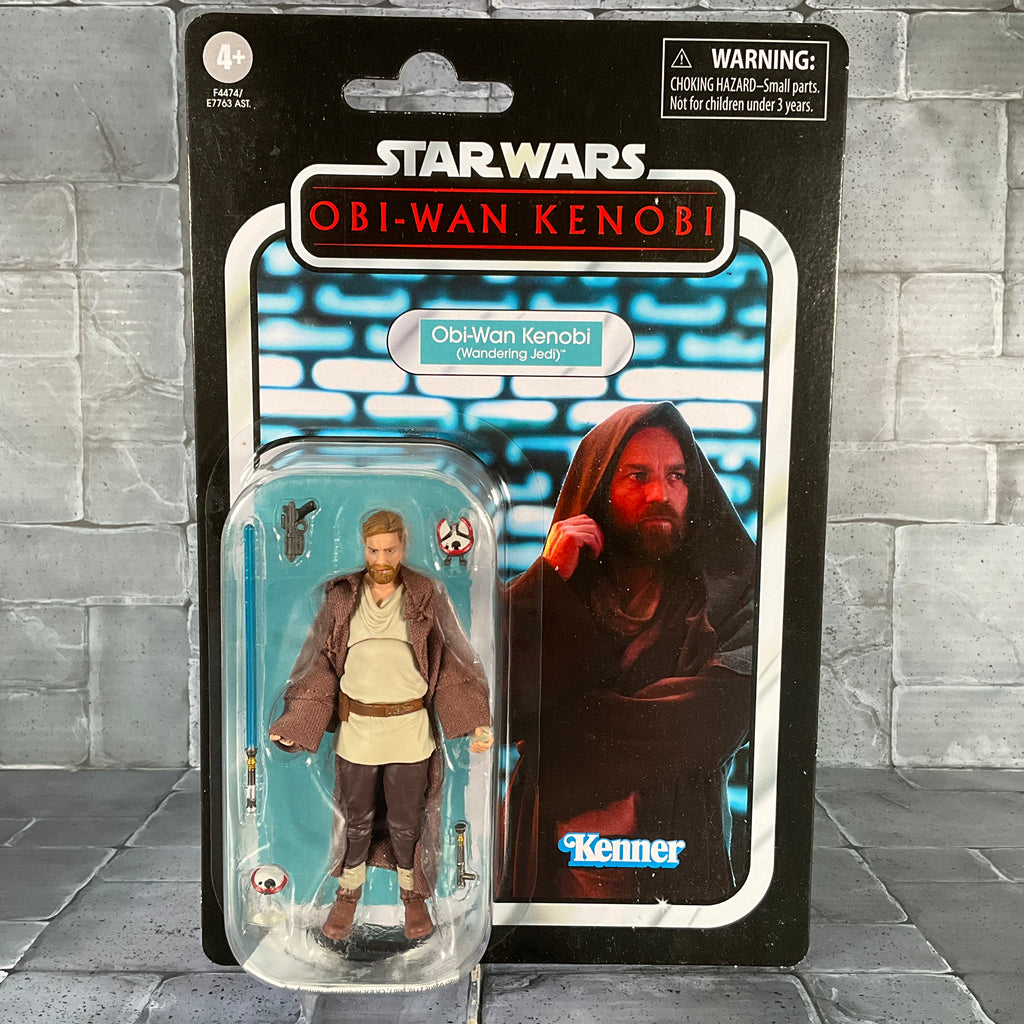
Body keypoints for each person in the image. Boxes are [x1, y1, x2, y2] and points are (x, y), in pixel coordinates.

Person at [502, 402, 755, 904]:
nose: (660, 493)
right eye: (637, 476)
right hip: (552, 853)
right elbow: (496, 705)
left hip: (676, 843)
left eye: (677, 476)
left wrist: (557, 727)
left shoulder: (728, 598)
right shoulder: (558, 586)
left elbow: (720, 717)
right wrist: (547, 583)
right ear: (600, 489)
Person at [269, 509, 493, 942]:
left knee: (408, 821)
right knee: (355, 820)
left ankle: (413, 896)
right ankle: (347, 895)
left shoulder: (424, 594)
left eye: (389, 549)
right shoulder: (342, 598)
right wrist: (296, 723)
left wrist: (473, 723)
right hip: (358, 730)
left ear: (404, 546)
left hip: (410, 729)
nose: (381, 558)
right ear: (363, 548)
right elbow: (318, 667)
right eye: (373, 550)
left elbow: (452, 663)